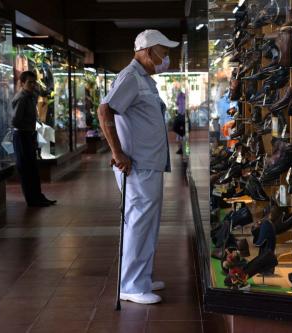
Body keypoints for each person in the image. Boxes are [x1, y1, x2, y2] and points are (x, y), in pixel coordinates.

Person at [97, 29, 179, 305]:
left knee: (147, 225)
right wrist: (118, 153)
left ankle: (141, 277)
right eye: (163, 53)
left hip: (149, 164)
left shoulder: (146, 80)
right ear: (146, 52)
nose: (166, 59)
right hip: (137, 166)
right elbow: (104, 110)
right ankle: (131, 285)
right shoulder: (131, 77)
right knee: (137, 224)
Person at [11, 71, 56, 207]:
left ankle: (38, 196)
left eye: (33, 82)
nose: (32, 84)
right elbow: (15, 121)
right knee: (26, 169)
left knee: (33, 168)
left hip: (29, 135)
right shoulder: (22, 98)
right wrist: (28, 128)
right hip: (22, 136)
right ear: (22, 83)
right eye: (29, 82)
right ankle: (32, 199)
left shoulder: (31, 96)